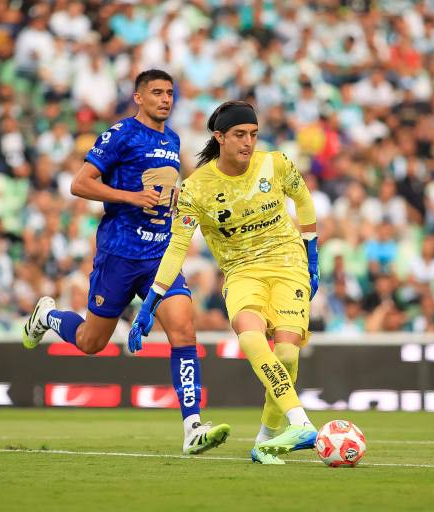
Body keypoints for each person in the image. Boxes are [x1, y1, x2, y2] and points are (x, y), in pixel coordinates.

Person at [21, 69, 229, 455]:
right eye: (156, 93)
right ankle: (48, 317)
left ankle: (192, 427)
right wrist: (132, 197)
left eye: (169, 93)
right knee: (90, 342)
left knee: (183, 329)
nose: (165, 99)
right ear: (138, 97)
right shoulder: (120, 134)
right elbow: (79, 183)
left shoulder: (173, 139)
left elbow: (169, 191)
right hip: (119, 254)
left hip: (158, 256)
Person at [129, 101, 320, 465]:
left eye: (253, 134)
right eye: (239, 135)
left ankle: (265, 441)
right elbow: (176, 249)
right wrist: (151, 300)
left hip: (288, 263)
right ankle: (302, 422)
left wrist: (312, 253)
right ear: (219, 137)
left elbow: (304, 201)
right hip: (242, 271)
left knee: (286, 355)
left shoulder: (275, 163)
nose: (248, 142)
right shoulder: (196, 189)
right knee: (249, 336)